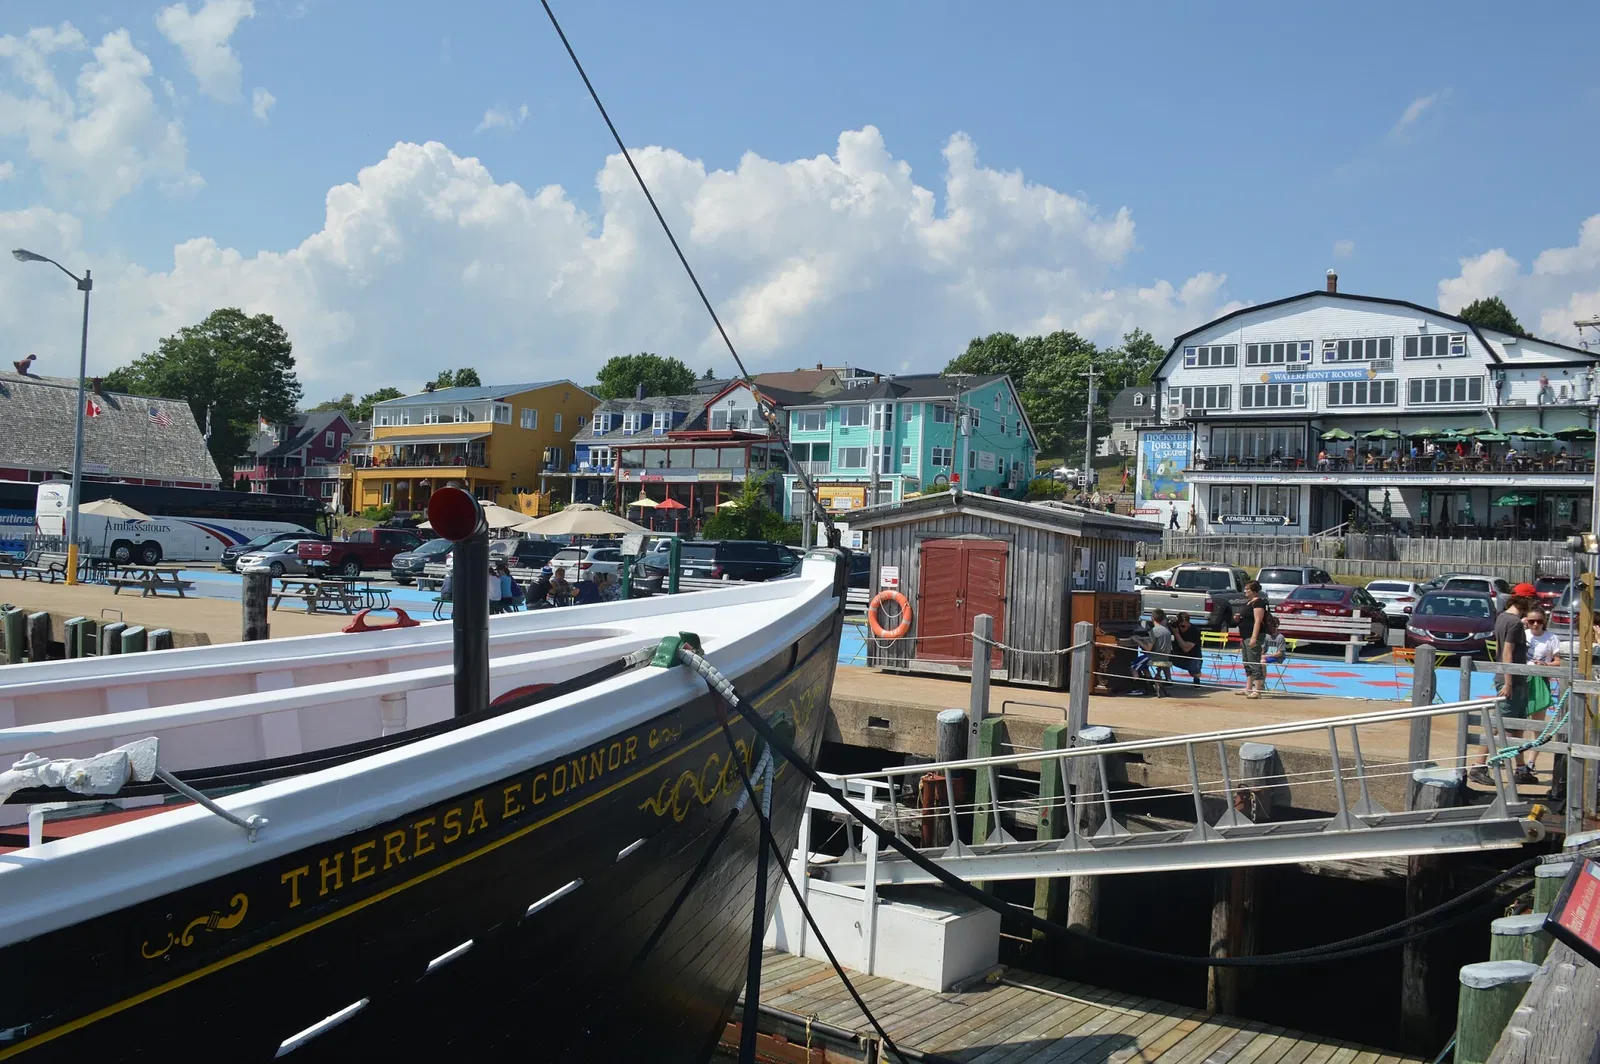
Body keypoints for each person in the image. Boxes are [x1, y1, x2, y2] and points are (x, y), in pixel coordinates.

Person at [1471, 595, 1535, 786]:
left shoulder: (1501, 618)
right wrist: (1507, 682)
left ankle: (1521, 769)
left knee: (1516, 726)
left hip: (1512, 678)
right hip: (1512, 681)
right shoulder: (1514, 622)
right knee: (1501, 725)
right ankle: (1479, 766)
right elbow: (1506, 652)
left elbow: (1499, 649)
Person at [1238, 580, 1270, 699]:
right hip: (1245, 636)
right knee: (1247, 661)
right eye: (1245, 589)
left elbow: (1257, 621)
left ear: (1255, 591)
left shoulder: (1258, 603)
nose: (1245, 591)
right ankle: (1248, 688)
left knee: (1254, 661)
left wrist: (1254, 637)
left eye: (1248, 589)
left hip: (1253, 636)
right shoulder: (1248, 602)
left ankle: (1258, 689)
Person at [1146, 608, 1173, 697]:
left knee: (1134, 665)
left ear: (1152, 618)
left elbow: (1148, 648)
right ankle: (1155, 682)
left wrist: (1138, 640)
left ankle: (1148, 684)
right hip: (1165, 657)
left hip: (1155, 657)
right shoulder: (1167, 630)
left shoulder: (1154, 630)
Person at [1171, 611, 1202, 685]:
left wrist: (1176, 634)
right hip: (1177, 655)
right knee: (1162, 657)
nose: (1182, 628)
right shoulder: (1174, 627)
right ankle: (1167, 679)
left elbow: (1186, 648)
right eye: (1180, 626)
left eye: (1184, 626)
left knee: (1194, 671)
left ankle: (1196, 677)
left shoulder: (1194, 630)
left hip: (1193, 656)